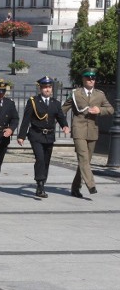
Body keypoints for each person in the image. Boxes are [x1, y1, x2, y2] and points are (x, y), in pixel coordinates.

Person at [62, 68, 114, 197]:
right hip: (78, 129)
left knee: (85, 162)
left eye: (93, 78)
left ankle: (75, 188)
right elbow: (63, 110)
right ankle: (91, 185)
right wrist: (63, 124)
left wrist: (99, 110)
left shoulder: (99, 94)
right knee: (83, 158)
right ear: (83, 79)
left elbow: (110, 109)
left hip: (92, 131)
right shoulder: (75, 93)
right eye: (88, 78)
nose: (91, 80)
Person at [18, 76, 70, 198]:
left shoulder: (55, 103)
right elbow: (26, 119)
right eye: (45, 87)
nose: (47, 89)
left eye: (49, 87)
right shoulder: (33, 102)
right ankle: (40, 184)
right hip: (36, 134)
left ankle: (42, 183)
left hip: (49, 135)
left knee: (46, 161)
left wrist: (65, 126)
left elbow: (60, 117)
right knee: (40, 159)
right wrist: (21, 136)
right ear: (40, 88)